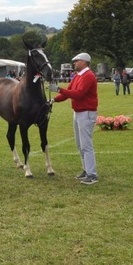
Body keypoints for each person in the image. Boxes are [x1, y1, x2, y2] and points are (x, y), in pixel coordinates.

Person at [50, 52, 99, 185]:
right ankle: (86, 169)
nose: (74, 63)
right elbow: (68, 93)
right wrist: (53, 99)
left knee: (86, 145)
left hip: (86, 112)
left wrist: (59, 90)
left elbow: (78, 94)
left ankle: (92, 174)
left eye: (76, 61)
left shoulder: (88, 76)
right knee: (79, 144)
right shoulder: (78, 76)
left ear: (83, 62)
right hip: (78, 112)